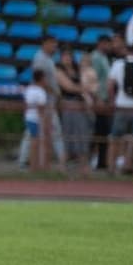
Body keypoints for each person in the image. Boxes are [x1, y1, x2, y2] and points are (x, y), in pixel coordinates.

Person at [21, 36, 61, 169]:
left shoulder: (49, 59)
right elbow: (40, 78)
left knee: (32, 134)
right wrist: (53, 91)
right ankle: (59, 161)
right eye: (52, 44)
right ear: (45, 44)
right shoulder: (40, 58)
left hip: (47, 100)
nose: (55, 47)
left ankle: (25, 160)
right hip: (43, 101)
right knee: (51, 131)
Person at [109, 41, 133, 176]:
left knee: (115, 138)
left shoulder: (118, 65)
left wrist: (112, 102)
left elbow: (111, 85)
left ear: (127, 51)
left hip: (122, 106)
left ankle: (112, 169)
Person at [56, 47, 92, 175]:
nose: (67, 59)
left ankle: (84, 166)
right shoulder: (59, 71)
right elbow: (68, 87)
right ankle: (62, 165)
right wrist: (84, 88)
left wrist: (85, 88)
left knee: (82, 134)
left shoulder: (77, 70)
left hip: (80, 105)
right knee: (69, 135)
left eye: (69, 56)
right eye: (65, 56)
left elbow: (88, 82)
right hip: (69, 105)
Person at [87, 34, 114, 172]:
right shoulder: (96, 57)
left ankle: (101, 161)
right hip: (99, 99)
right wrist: (97, 98)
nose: (109, 46)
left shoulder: (103, 57)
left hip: (104, 98)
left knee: (103, 131)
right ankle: (89, 160)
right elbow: (94, 79)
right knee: (98, 130)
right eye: (107, 43)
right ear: (101, 43)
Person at [21, 69, 52, 170]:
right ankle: (35, 166)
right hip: (36, 119)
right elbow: (41, 109)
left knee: (34, 142)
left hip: (29, 118)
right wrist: (44, 122)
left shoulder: (29, 89)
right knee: (36, 143)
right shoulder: (40, 91)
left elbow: (26, 105)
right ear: (42, 79)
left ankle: (34, 165)